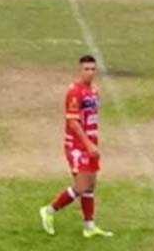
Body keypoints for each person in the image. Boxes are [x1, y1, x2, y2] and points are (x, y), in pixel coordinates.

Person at [39, 55, 113, 238]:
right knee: (81, 186)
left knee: (91, 186)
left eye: (92, 69)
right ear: (80, 70)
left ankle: (89, 227)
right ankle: (48, 211)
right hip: (77, 146)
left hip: (90, 144)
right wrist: (87, 144)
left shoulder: (94, 91)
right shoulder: (74, 92)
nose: (89, 72)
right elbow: (73, 122)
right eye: (86, 69)